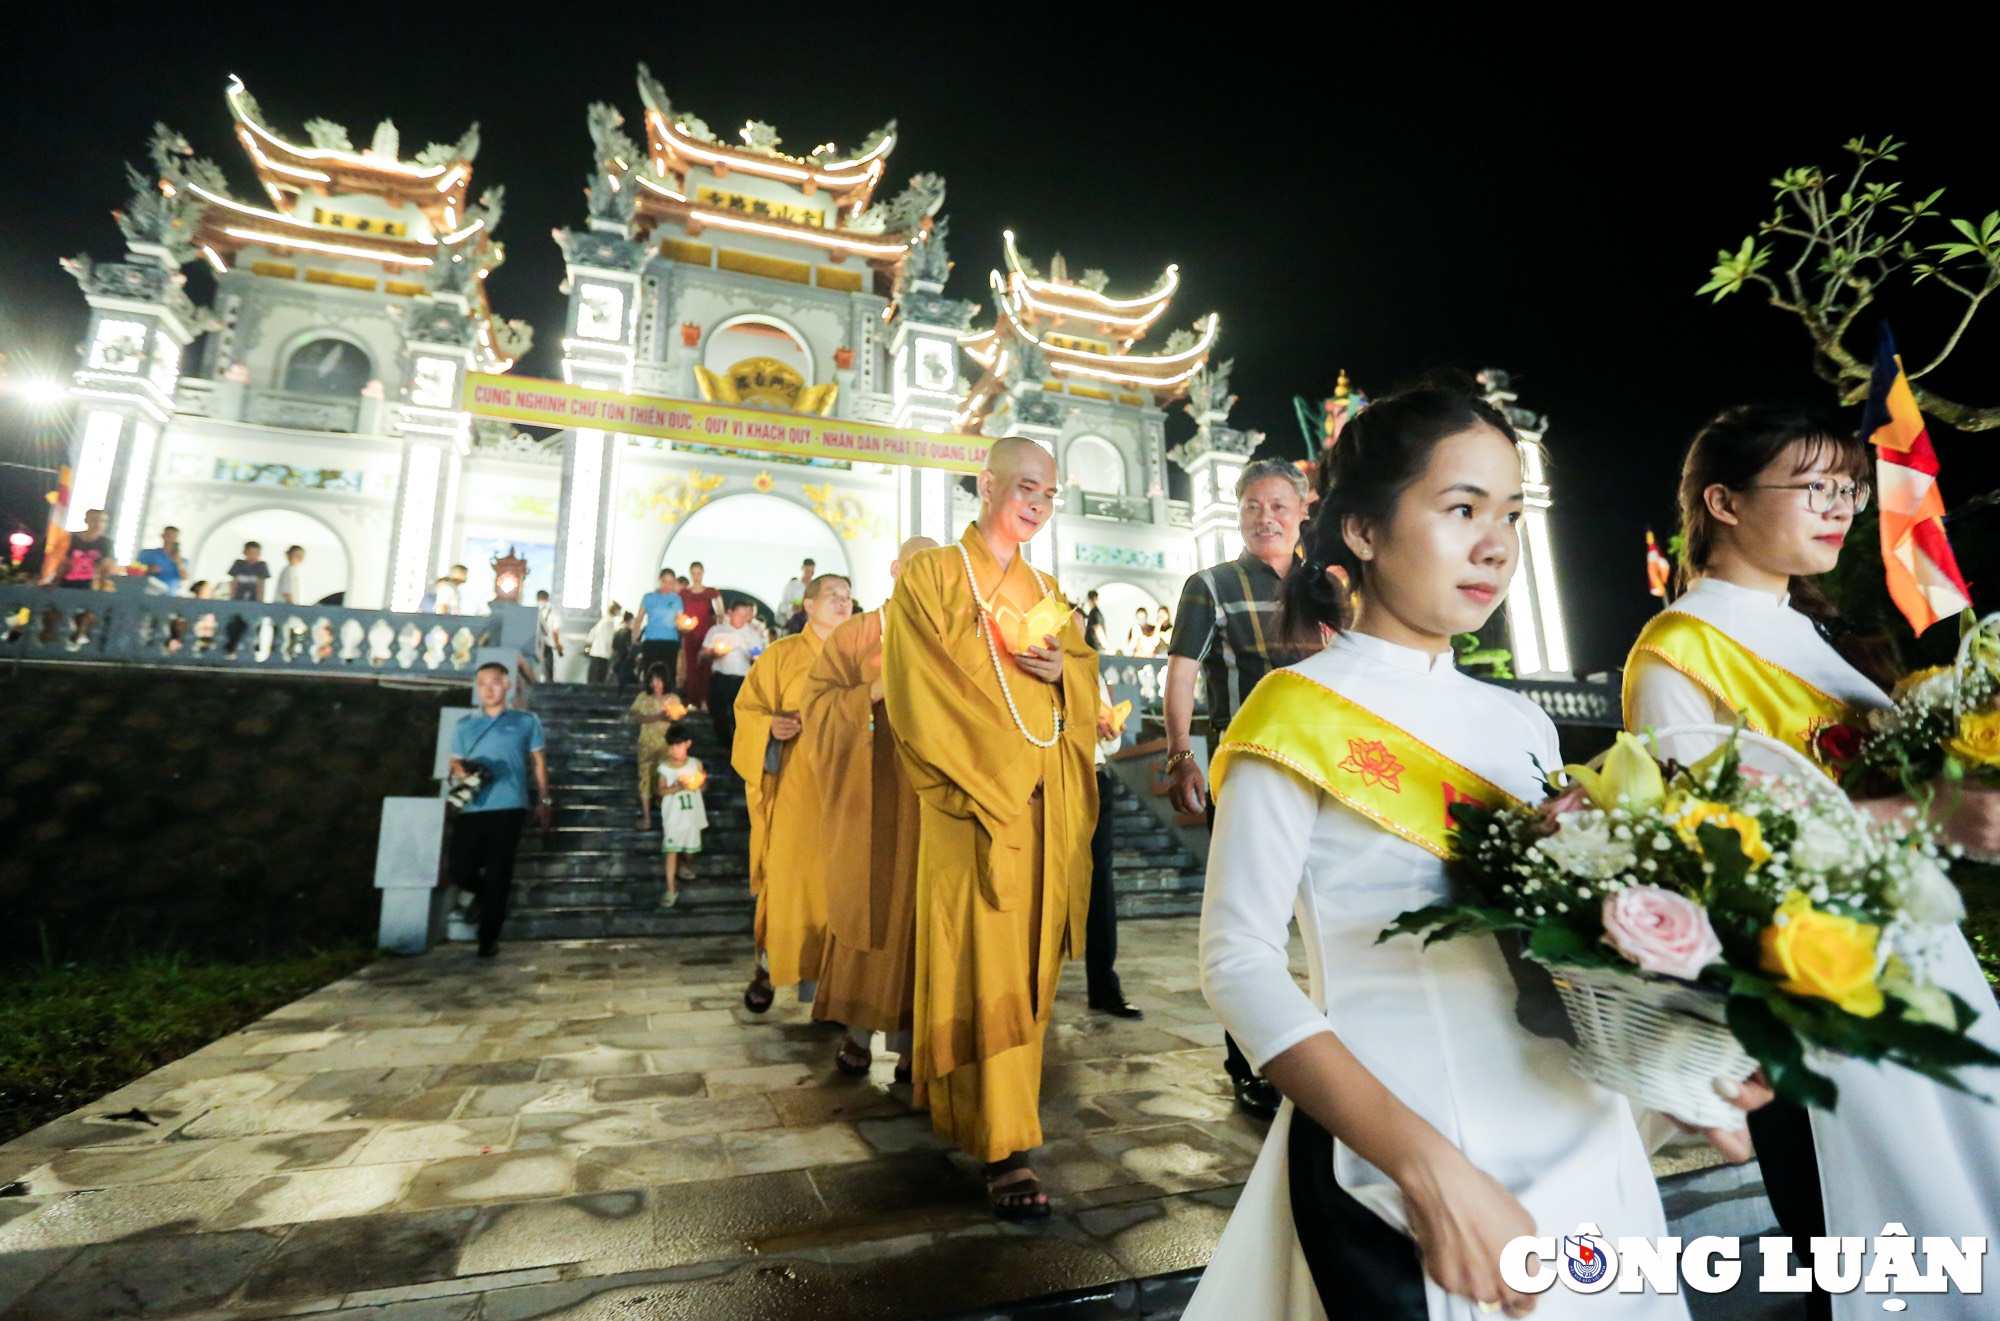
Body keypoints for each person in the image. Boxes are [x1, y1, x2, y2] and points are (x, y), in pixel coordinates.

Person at [1185, 381, 1692, 1321]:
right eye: (1460, 509)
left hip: (1589, 1145)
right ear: (1365, 532)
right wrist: (1426, 1167)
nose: (1495, 543)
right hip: (1410, 1161)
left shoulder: (1523, 723)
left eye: (1509, 513)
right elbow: (1237, 963)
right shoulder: (1294, 712)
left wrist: (1677, 1065)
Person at [1625, 405, 2000, 1321]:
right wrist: (1923, 810)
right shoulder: (1678, 653)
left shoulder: (1811, 635)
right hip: (1818, 1006)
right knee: (1884, 1261)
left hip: (1923, 977)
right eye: (1814, 487)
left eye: (1848, 488)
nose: (1840, 507)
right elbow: (1710, 855)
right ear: (1723, 501)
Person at [883, 437, 1098, 1220]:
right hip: (972, 803)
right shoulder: (936, 577)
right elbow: (917, 689)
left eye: (1050, 491)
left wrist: (1064, 673)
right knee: (980, 959)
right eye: (1026, 486)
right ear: (986, 483)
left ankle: (995, 1113)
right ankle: (1006, 1145)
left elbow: (1082, 681)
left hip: (1042, 806)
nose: (1038, 501)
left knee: (1026, 972)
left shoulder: (1046, 587)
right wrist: (996, 776)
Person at [1165, 457, 1316, 1118]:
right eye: (1254, 505)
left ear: (1303, 510)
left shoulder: (1328, 589)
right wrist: (1179, 753)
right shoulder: (1212, 584)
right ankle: (1252, 1063)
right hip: (1247, 770)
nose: (1266, 517)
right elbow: (1181, 673)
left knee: (1330, 914)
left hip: (1323, 771)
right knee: (1248, 925)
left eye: (1280, 505)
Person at [805, 537, 936, 1078]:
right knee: (868, 909)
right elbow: (818, 709)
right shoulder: (856, 635)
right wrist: (875, 691)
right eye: (917, 568)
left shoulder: (950, 635)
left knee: (918, 920)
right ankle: (857, 1032)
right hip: (870, 795)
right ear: (895, 569)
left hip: (930, 799)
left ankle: (910, 1044)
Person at [733, 575, 854, 1011]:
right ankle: (768, 968)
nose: (843, 602)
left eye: (847, 596)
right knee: (788, 884)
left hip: (847, 796)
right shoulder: (781, 656)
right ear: (808, 605)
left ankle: (832, 992)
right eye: (833, 596)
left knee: (839, 894)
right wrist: (769, 726)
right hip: (796, 796)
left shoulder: (863, 657)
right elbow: (747, 710)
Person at [448, 662, 553, 958]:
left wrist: (544, 800)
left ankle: (488, 937)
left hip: (508, 806)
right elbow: (454, 763)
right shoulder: (465, 725)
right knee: (460, 868)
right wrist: (464, 773)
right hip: (472, 807)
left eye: (495, 682)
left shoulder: (526, 721)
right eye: (482, 683)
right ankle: (482, 895)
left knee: (499, 873)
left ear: (507, 686)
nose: (488, 689)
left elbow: (539, 762)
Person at [1085, 661, 1138, 1018]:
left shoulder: (1092, 671)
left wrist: (1109, 730)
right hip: (1057, 776)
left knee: (1100, 882)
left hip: (1096, 775)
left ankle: (1104, 987)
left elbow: (1112, 742)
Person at [706, 600, 768, 751]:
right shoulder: (717, 630)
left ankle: (739, 746)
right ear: (730, 612)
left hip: (742, 679)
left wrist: (756, 659)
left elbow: (759, 655)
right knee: (719, 713)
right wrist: (714, 653)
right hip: (721, 676)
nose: (742, 618)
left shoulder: (753, 634)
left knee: (739, 714)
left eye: (745, 615)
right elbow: (703, 653)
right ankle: (724, 744)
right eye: (739, 615)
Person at [656, 722, 705, 909]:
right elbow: (661, 790)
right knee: (671, 850)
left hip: (691, 814)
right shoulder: (664, 767)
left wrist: (697, 784)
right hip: (673, 816)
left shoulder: (695, 764)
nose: (675, 750)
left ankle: (684, 864)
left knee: (690, 849)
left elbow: (703, 786)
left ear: (688, 744)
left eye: (678, 745)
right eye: (672, 746)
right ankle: (670, 888)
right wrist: (678, 786)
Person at [629, 663, 684, 830]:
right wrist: (657, 716)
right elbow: (636, 717)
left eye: (659, 680)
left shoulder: (673, 700)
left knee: (666, 779)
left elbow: (678, 719)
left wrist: (672, 716)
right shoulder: (643, 698)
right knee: (645, 779)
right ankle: (647, 818)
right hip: (646, 745)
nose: (656, 684)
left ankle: (668, 818)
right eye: (653, 680)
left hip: (667, 747)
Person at [677, 561, 724, 707]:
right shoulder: (684, 593)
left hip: (707, 633)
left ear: (703, 573)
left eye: (699, 573)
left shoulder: (711, 592)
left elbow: (720, 613)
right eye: (694, 573)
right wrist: (683, 626)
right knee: (691, 667)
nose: (697, 576)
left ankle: (704, 700)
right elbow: (679, 615)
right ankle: (692, 700)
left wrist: (719, 630)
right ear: (690, 574)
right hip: (690, 633)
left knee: (705, 667)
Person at [636, 569, 685, 681]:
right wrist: (635, 636)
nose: (666, 585)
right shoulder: (648, 597)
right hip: (651, 640)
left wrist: (684, 627)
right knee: (650, 674)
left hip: (670, 641)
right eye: (664, 581)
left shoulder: (676, 600)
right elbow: (639, 618)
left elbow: (680, 620)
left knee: (668, 674)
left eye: (670, 582)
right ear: (659, 580)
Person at [48, 509, 113, 588]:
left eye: (103, 521)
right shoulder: (72, 538)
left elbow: (106, 567)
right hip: (68, 582)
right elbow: (62, 562)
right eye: (94, 520)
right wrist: (54, 582)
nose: (99, 524)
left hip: (92, 584)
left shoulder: (106, 543)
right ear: (86, 520)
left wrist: (102, 588)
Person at [135, 526, 186, 595]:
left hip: (168, 597)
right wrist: (148, 569)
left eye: (174, 537)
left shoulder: (182, 561)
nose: (170, 540)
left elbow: (184, 577)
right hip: (148, 592)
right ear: (163, 536)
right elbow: (134, 570)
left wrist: (179, 563)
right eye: (168, 536)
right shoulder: (148, 554)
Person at [585, 601, 623, 684]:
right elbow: (609, 639)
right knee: (599, 677)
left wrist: (588, 643)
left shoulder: (604, 620)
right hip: (603, 653)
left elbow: (593, 632)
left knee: (593, 676)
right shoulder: (610, 622)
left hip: (596, 651)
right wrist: (612, 650)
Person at [535, 590, 564, 682]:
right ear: (548, 598)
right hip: (547, 644)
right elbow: (555, 632)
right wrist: (557, 645)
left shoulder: (531, 611)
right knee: (548, 670)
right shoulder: (554, 613)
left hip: (533, 644)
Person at [779, 558, 815, 632]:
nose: (809, 574)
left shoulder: (815, 587)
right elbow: (783, 605)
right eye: (807, 571)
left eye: (811, 571)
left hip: (811, 625)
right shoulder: (792, 586)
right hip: (794, 624)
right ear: (802, 569)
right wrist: (792, 607)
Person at [611, 610, 638, 689]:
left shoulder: (618, 632)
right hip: (627, 662)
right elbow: (631, 647)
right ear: (630, 621)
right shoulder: (630, 633)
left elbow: (614, 647)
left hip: (618, 662)